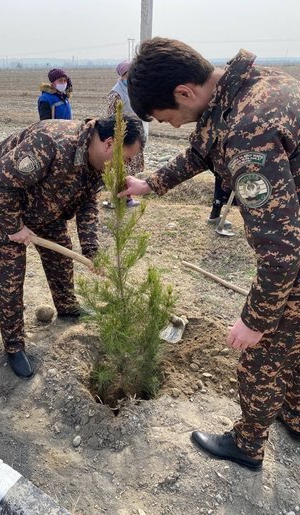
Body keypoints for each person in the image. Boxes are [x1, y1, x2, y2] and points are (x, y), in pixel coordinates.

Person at [118, 37, 300, 469]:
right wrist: (152, 183)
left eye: (168, 117)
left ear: (185, 92)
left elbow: (283, 251)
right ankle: (295, 414)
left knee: (264, 351)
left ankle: (247, 445)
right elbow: (203, 148)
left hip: (293, 246)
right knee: (294, 338)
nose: (175, 126)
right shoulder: (251, 87)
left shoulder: (246, 131)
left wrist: (254, 321)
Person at [0, 115, 145, 379]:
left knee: (60, 257)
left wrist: (91, 252)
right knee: (11, 274)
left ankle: (66, 307)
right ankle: (14, 345)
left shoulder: (99, 163)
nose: (128, 165)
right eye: (128, 157)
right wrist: (13, 226)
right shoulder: (52, 143)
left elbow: (88, 204)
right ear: (110, 144)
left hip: (46, 203)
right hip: (0, 200)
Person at [105, 60, 146, 208]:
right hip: (124, 136)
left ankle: (127, 197)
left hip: (134, 134)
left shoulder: (134, 90)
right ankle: (115, 199)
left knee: (130, 168)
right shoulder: (116, 93)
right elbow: (111, 117)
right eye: (130, 74)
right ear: (123, 75)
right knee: (120, 168)